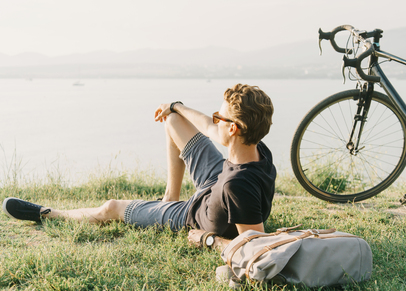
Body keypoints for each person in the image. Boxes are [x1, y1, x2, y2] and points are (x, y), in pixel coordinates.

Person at [2, 83, 276, 250]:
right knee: (173, 121)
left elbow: (253, 248)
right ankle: (169, 197)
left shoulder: (237, 185)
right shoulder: (257, 150)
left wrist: (208, 240)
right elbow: (205, 126)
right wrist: (175, 106)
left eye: (219, 118)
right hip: (214, 185)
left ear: (233, 128)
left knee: (111, 207)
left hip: (195, 214)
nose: (213, 121)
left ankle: (48, 214)